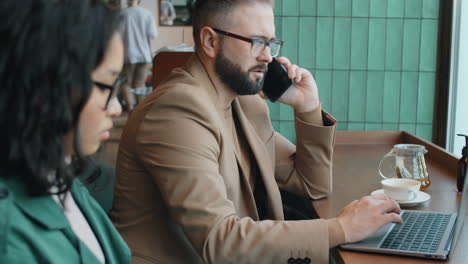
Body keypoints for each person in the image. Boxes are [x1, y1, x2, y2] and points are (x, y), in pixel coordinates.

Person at [110, 0, 402, 263]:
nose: (268, 57)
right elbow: (218, 241)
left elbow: (310, 185)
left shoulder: (245, 102)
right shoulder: (178, 110)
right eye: (257, 42)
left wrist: (307, 107)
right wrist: (342, 228)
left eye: (271, 43)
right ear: (210, 41)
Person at [0, 0, 131, 263]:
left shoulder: (61, 177)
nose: (116, 108)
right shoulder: (9, 236)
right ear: (48, 84)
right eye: (106, 86)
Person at [119, 0, 158, 111]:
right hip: (144, 54)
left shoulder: (122, 14)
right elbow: (153, 34)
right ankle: (141, 111)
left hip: (128, 55)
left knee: (125, 83)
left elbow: (118, 35)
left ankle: (131, 109)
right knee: (139, 85)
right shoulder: (146, 13)